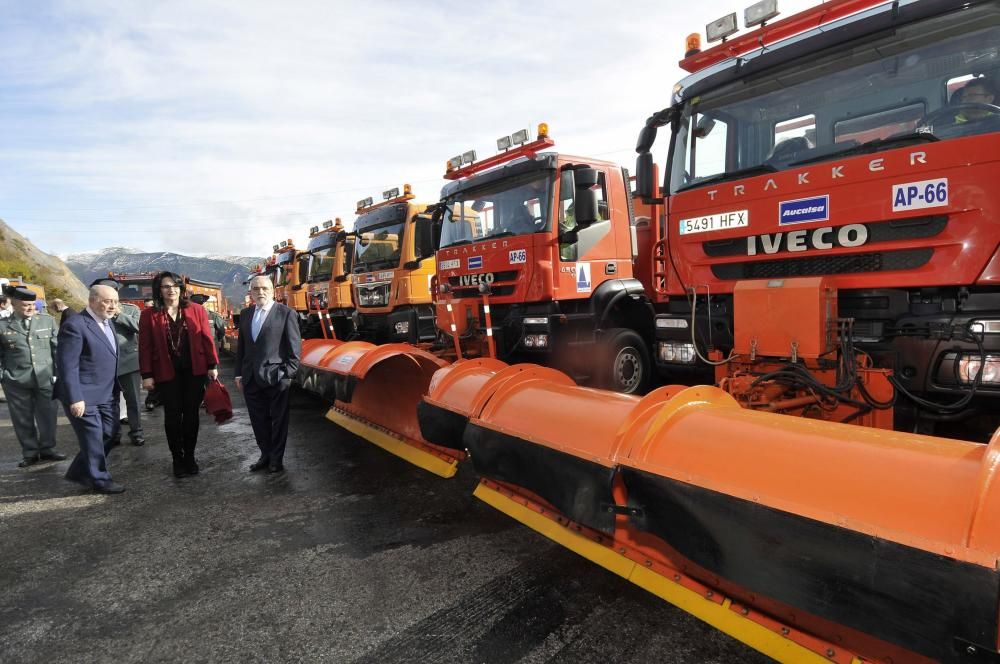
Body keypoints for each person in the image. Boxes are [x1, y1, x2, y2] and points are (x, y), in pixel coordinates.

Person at [138, 272, 219, 478]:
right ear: (159, 290)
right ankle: (177, 458)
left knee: (191, 414)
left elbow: (206, 338)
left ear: (181, 289)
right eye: (166, 286)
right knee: (172, 416)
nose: (171, 289)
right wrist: (147, 374)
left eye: (175, 285)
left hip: (194, 371)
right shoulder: (149, 315)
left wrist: (212, 364)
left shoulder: (196, 310)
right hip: (166, 372)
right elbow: (145, 347)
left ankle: (190, 457)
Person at [56, 285, 124, 494]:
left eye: (115, 301)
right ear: (92, 300)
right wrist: (75, 398)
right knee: (93, 437)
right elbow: (67, 365)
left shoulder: (107, 322)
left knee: (111, 433)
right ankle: (100, 479)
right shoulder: (75, 325)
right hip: (84, 395)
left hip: (106, 392)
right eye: (107, 301)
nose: (112, 306)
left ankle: (78, 471)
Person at [235, 275, 301, 473]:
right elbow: (242, 348)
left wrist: (285, 375)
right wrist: (239, 374)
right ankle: (265, 454)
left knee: (279, 420)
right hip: (251, 378)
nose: (260, 292)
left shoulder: (286, 314)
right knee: (258, 419)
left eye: (264, 288)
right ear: (251, 292)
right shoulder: (246, 314)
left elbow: (294, 352)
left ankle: (276, 459)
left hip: (276, 378)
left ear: (273, 290)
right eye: (256, 289)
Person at [0, 286, 66, 467]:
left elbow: (57, 350)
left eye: (32, 304)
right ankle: (29, 452)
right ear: (13, 304)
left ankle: (48, 449)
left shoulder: (47, 321)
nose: (30, 308)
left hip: (45, 377)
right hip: (15, 380)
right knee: (22, 418)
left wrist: (59, 374)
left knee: (48, 415)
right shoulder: (3, 325)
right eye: (25, 305)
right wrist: (3, 376)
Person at [91, 278, 145, 448]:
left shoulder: (131, 310)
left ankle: (136, 432)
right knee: (109, 402)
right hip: (104, 365)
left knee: (134, 400)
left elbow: (139, 326)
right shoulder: (92, 312)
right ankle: (113, 433)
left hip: (128, 362)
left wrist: (118, 315)